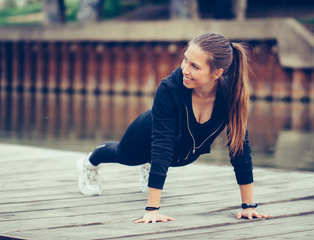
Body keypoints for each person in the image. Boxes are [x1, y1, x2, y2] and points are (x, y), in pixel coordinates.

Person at [77, 32, 272, 223]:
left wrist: (248, 206)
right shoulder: (169, 88)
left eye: (195, 66)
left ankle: (149, 166)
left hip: (183, 153)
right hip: (146, 134)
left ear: (217, 73)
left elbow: (240, 148)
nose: (185, 70)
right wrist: (152, 210)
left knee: (174, 159)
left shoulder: (231, 94)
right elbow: (162, 145)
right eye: (185, 60)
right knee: (124, 155)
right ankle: (89, 162)